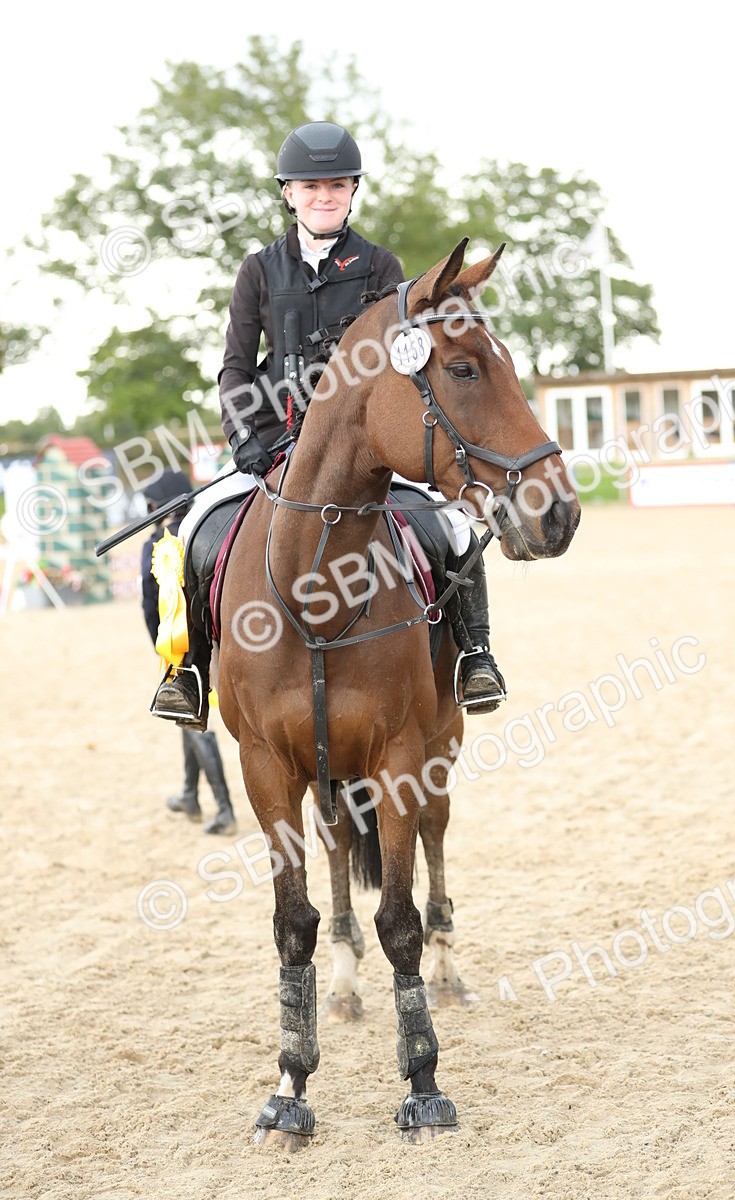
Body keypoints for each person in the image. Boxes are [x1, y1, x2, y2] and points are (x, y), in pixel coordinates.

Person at [151, 120, 505, 728]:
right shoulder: (259, 271)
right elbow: (234, 370)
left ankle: (476, 653)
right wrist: (245, 442)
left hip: (364, 455)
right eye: (311, 187)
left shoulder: (379, 266)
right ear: (288, 192)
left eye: (336, 186)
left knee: (450, 527)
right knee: (191, 538)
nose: (323, 196)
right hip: (270, 448)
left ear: (352, 192)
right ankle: (189, 673)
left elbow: (404, 360)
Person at [141, 470, 236, 835]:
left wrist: (162, 648)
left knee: (193, 715)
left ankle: (225, 809)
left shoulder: (157, 544)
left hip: (182, 646)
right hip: (221, 637)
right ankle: (190, 794)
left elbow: (150, 607)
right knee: (185, 717)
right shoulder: (213, 529)